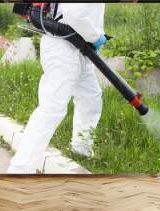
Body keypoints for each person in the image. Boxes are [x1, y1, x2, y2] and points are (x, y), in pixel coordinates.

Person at [7, 3, 107, 174]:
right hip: (63, 46)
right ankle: (20, 169)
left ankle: (81, 149)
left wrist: (94, 37)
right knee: (52, 108)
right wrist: (96, 36)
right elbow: (76, 14)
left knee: (90, 98)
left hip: (80, 46)